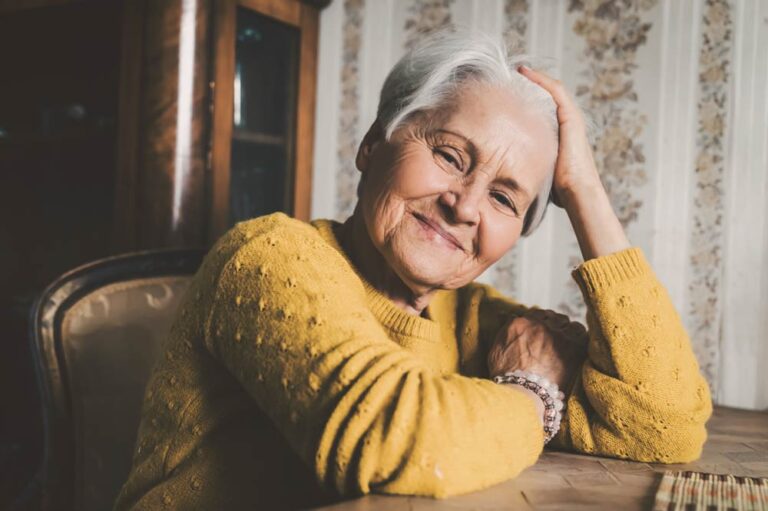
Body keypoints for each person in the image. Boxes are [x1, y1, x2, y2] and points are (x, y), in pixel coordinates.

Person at [114, 30, 712, 510]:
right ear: (373, 145)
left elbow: (663, 424)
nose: (466, 205)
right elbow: (387, 439)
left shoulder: (471, 316)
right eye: (450, 155)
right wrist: (533, 396)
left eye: (505, 199)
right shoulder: (269, 257)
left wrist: (585, 191)